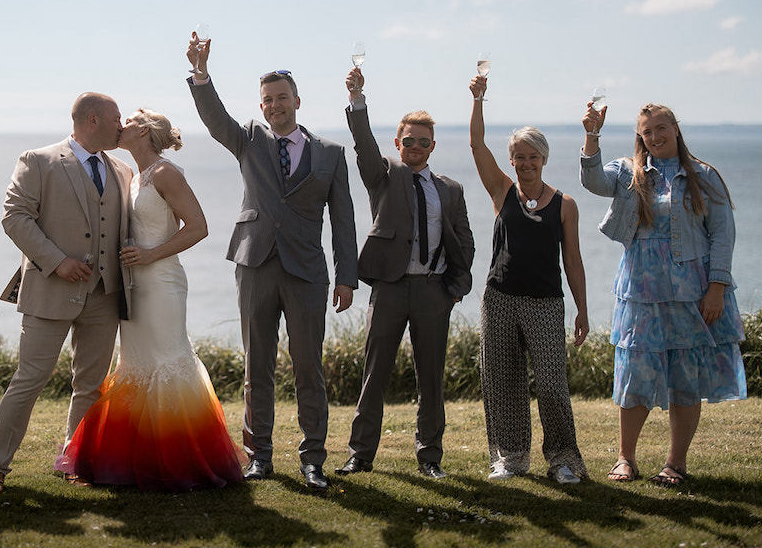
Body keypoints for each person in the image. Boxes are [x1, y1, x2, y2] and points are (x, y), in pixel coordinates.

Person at [187, 37, 357, 492]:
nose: (275, 105)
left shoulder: (331, 155)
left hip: (307, 272)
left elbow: (343, 221)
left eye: (282, 97)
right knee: (256, 365)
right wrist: (202, 75)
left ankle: (313, 460)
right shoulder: (247, 140)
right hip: (255, 264)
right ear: (261, 107)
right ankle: (258, 455)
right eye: (268, 100)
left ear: (297, 101)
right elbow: (214, 118)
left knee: (309, 368)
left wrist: (347, 278)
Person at [57, 108, 246, 490]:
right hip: (132, 286)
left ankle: (182, 460)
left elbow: (198, 227)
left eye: (126, 119)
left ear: (141, 130)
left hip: (161, 282)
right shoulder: (132, 177)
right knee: (136, 365)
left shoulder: (165, 173)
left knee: (167, 363)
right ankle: (137, 459)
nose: (119, 124)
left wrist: (149, 254)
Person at [581, 101, 745, 486]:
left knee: (685, 378)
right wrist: (592, 134)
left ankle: (675, 463)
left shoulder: (705, 176)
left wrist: (717, 289)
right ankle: (626, 459)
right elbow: (592, 182)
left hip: (693, 291)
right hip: (640, 290)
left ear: (675, 127)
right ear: (640, 136)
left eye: (660, 128)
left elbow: (723, 234)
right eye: (646, 131)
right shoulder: (627, 173)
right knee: (635, 373)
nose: (654, 137)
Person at [0, 93, 134, 494]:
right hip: (50, 289)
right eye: (117, 119)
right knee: (30, 378)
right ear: (94, 119)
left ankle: (74, 460)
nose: (122, 126)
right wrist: (56, 260)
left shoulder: (122, 170)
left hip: (103, 295)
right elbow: (14, 216)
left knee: (90, 384)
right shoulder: (39, 160)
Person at [336, 66, 474, 480]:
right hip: (391, 290)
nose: (415, 145)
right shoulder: (385, 176)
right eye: (408, 140)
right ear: (398, 143)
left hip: (434, 292)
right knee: (374, 374)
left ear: (432, 146)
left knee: (431, 379)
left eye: (423, 141)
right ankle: (361, 454)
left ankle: (430, 457)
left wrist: (455, 289)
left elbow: (464, 242)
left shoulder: (450, 189)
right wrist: (358, 100)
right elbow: (362, 145)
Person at [467, 74, 588, 484]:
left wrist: (582, 311)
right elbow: (477, 146)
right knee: (502, 381)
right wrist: (479, 99)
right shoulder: (502, 191)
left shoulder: (565, 205)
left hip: (545, 303)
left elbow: (572, 260)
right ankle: (510, 459)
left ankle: (564, 460)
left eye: (532, 156)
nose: (525, 163)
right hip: (499, 298)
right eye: (518, 156)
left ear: (544, 158)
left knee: (552, 385)